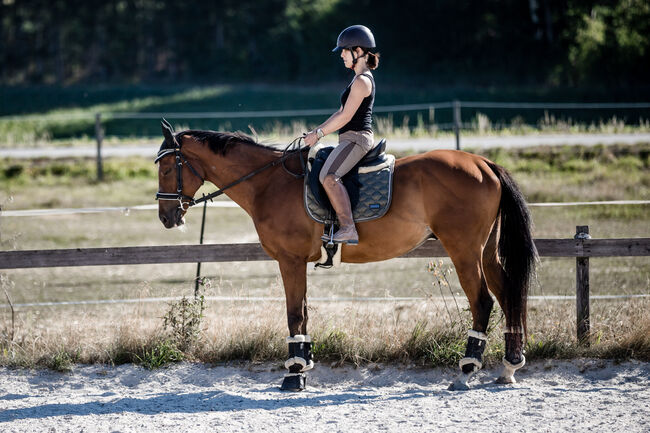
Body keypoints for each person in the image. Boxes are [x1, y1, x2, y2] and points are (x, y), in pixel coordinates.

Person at [303, 24, 380, 245]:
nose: (342, 56)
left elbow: (346, 117)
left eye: (344, 51)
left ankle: (348, 229)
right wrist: (316, 131)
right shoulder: (357, 80)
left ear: (358, 51)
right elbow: (340, 113)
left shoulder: (363, 81)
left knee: (329, 177)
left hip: (357, 139)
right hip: (350, 137)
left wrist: (318, 135)